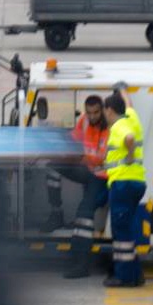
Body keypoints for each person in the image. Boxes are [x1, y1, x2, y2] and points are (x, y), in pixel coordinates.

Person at [59, 96, 111, 277]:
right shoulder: (84, 120)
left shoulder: (108, 129)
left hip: (101, 177)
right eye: (89, 113)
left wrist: (78, 158)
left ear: (103, 110)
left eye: (96, 112)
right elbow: (74, 137)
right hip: (89, 171)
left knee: (84, 216)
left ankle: (81, 264)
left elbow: (100, 158)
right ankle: (55, 213)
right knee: (53, 164)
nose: (92, 116)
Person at [100, 91, 146, 288]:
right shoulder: (132, 117)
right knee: (126, 229)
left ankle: (124, 277)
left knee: (120, 232)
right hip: (136, 183)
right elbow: (130, 105)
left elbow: (128, 139)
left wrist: (129, 154)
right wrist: (124, 92)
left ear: (110, 110)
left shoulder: (119, 125)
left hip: (123, 183)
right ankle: (136, 274)